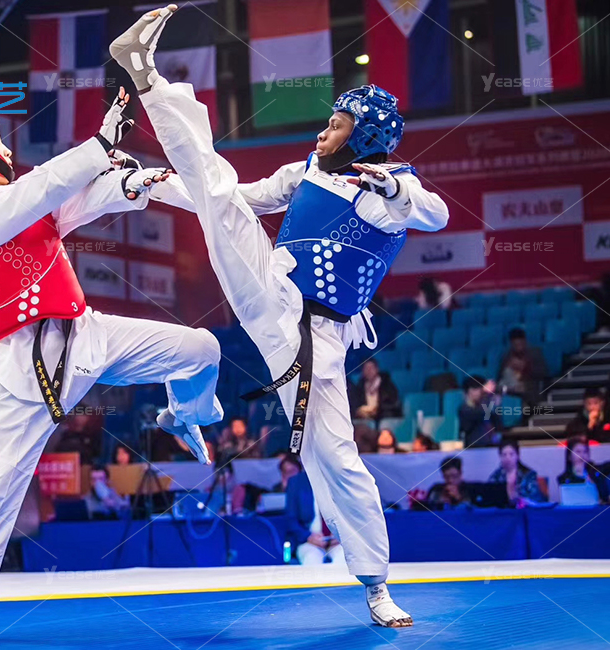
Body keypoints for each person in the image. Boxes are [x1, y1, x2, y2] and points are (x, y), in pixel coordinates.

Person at [111, 5, 450, 627]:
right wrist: (155, 184)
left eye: (337, 125)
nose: (323, 132)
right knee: (219, 195)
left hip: (317, 337)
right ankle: (146, 77)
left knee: (336, 455)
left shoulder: (390, 192)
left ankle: (376, 584)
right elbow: (233, 199)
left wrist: (392, 187)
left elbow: (436, 214)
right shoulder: (306, 170)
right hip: (271, 290)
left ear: (365, 139)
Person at [0, 93, 224, 645]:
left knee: (202, 349)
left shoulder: (20, 198)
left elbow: (74, 200)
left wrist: (130, 183)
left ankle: (183, 414)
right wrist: (99, 145)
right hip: (22, 369)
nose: (3, 143)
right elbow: (43, 189)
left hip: (85, 335)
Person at [284, 470, 344, 566]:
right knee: (311, 559)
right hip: (309, 542)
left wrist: (342, 534)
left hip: (340, 541)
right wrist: (308, 537)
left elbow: (354, 514)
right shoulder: (296, 482)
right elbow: (290, 520)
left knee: (344, 560)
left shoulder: (343, 478)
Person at [488, 439, 547, 506]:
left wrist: (518, 499)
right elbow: (489, 497)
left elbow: (536, 499)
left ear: (517, 456)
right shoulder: (496, 476)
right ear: (500, 457)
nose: (508, 458)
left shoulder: (529, 475)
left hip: (525, 510)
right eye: (504, 455)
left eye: (511, 454)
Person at [497, 328, 547, 407]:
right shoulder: (506, 356)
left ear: (525, 342)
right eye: (515, 345)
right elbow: (500, 376)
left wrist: (525, 367)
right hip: (509, 386)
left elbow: (543, 373)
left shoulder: (535, 353)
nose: (518, 347)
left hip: (529, 386)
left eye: (520, 344)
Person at [557, 435, 609, 502]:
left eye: (585, 452)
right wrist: (580, 475)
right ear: (569, 456)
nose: (582, 456)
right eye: (578, 452)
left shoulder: (597, 472)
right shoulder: (563, 478)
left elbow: (604, 497)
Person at [458, 376, 502, 448]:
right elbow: (479, 415)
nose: (479, 392)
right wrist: (487, 395)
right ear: (468, 391)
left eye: (480, 389)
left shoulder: (485, 407)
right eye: (475, 389)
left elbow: (498, 425)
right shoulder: (464, 409)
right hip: (473, 448)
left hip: (490, 446)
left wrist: (496, 405)